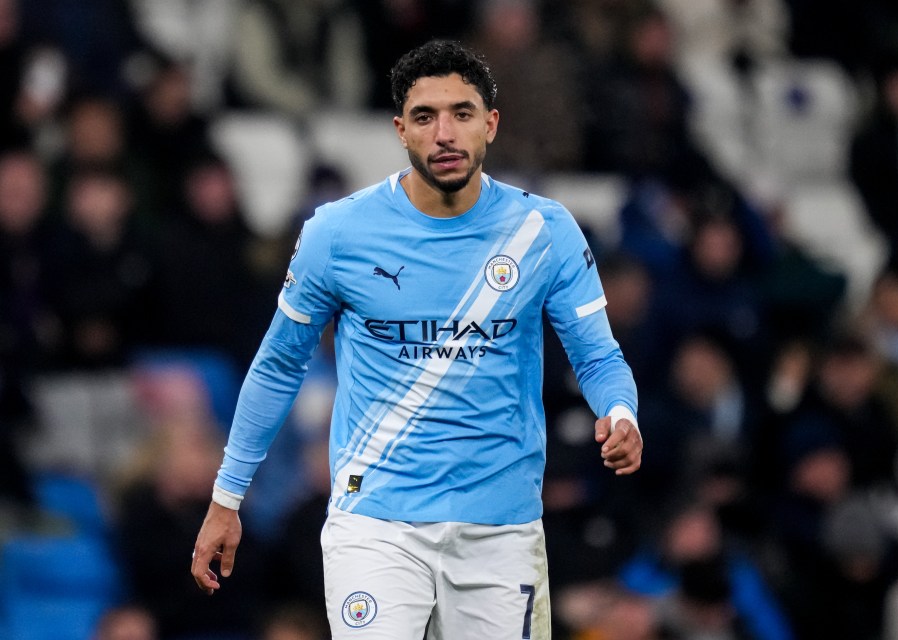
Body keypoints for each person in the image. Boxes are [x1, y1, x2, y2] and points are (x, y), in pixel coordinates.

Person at [190, 39, 643, 640]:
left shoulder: (544, 231)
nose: (445, 133)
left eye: (462, 113)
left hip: (500, 528)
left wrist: (620, 412)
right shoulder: (339, 233)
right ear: (400, 130)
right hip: (374, 522)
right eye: (426, 117)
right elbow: (278, 365)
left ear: (491, 124)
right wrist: (227, 497)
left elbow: (598, 354)